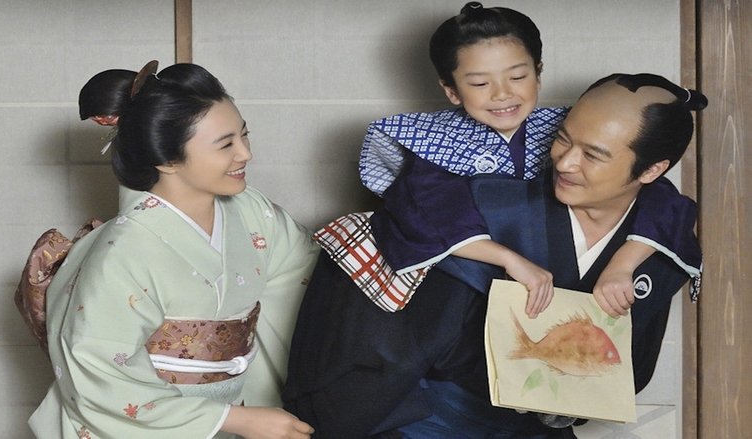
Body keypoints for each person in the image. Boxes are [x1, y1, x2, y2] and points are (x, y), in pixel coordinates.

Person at [282, 73, 707, 437]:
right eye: (563, 139)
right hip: (428, 421)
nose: (565, 163)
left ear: (652, 170)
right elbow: (390, 346)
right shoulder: (483, 208)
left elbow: (630, 365)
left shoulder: (656, 246)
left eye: (593, 155)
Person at [29, 61, 318, 438]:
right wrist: (235, 420)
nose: (245, 153)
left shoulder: (253, 213)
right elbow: (100, 370)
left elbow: (306, 282)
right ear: (166, 159)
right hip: (156, 423)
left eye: (244, 136)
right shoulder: (122, 252)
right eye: (226, 144)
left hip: (240, 411)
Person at [358, 2, 700, 319]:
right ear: (451, 90)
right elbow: (430, 212)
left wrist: (624, 262)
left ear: (538, 72)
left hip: (554, 286)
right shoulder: (432, 141)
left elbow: (657, 197)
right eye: (480, 83)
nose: (502, 94)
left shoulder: (571, 126)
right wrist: (509, 259)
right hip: (469, 294)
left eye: (518, 77)